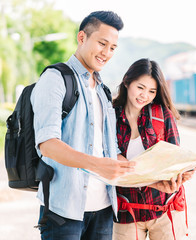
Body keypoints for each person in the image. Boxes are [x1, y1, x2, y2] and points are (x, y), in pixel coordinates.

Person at [31, 11, 135, 240]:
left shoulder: (103, 90)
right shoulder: (55, 79)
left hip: (104, 209)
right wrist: (97, 165)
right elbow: (47, 144)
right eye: (102, 43)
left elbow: (111, 150)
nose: (106, 53)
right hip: (64, 212)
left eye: (113, 48)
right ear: (81, 37)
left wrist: (158, 175)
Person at [112, 58, 196, 240]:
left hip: (166, 208)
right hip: (127, 210)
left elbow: (174, 157)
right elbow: (112, 164)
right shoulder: (111, 116)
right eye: (140, 87)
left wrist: (182, 174)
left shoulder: (162, 115)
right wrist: (152, 181)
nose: (145, 95)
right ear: (127, 81)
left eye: (152, 91)